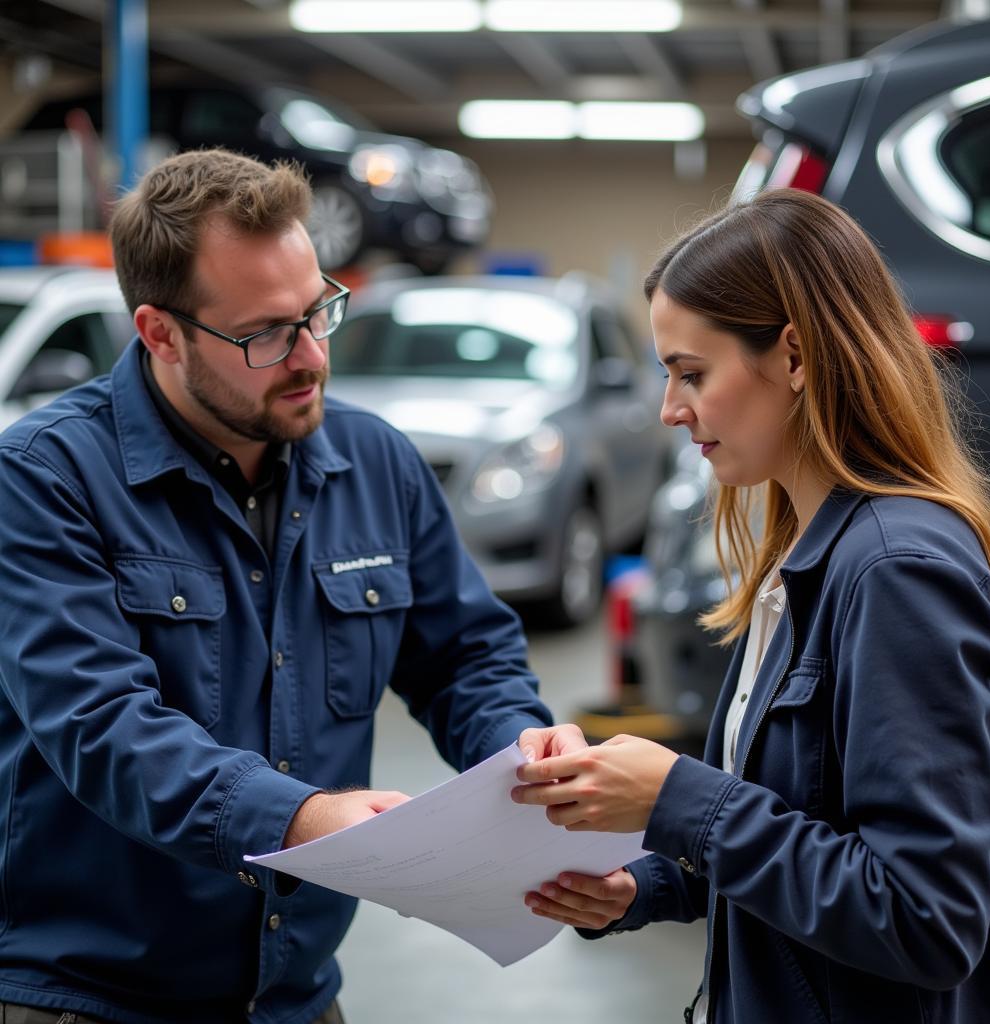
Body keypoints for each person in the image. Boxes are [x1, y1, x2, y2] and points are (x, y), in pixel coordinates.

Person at [0, 148, 578, 1024]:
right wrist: (305, 819)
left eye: (318, 312)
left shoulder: (375, 462)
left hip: (296, 999)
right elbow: (102, 726)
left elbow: (464, 656)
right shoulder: (45, 480)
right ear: (160, 333)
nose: (310, 355)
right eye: (267, 332)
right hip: (90, 1000)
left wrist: (523, 753)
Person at [511, 188, 990, 1023]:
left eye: (691, 374)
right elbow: (808, 823)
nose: (672, 410)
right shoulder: (811, 555)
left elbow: (926, 919)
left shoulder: (897, 574)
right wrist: (646, 883)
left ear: (794, 356)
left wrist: (679, 798)